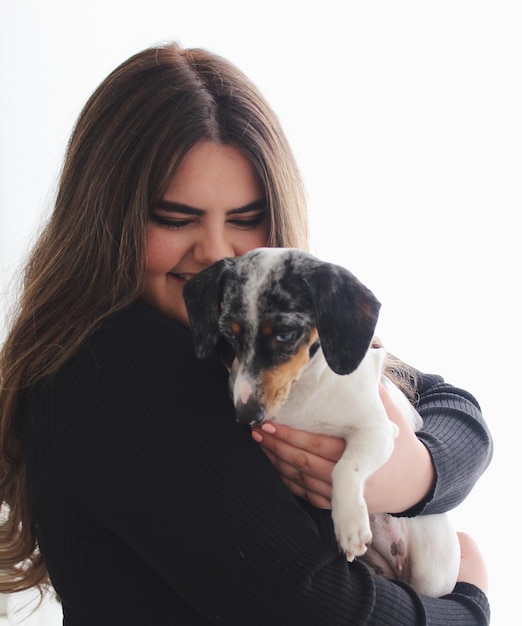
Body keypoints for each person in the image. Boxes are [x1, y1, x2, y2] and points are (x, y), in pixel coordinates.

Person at [0, 42, 492, 625]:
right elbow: (310, 609)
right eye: (175, 219)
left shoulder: (242, 329)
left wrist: (418, 472)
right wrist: (468, 604)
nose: (215, 253)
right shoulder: (113, 367)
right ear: (106, 220)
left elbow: (445, 402)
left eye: (244, 218)